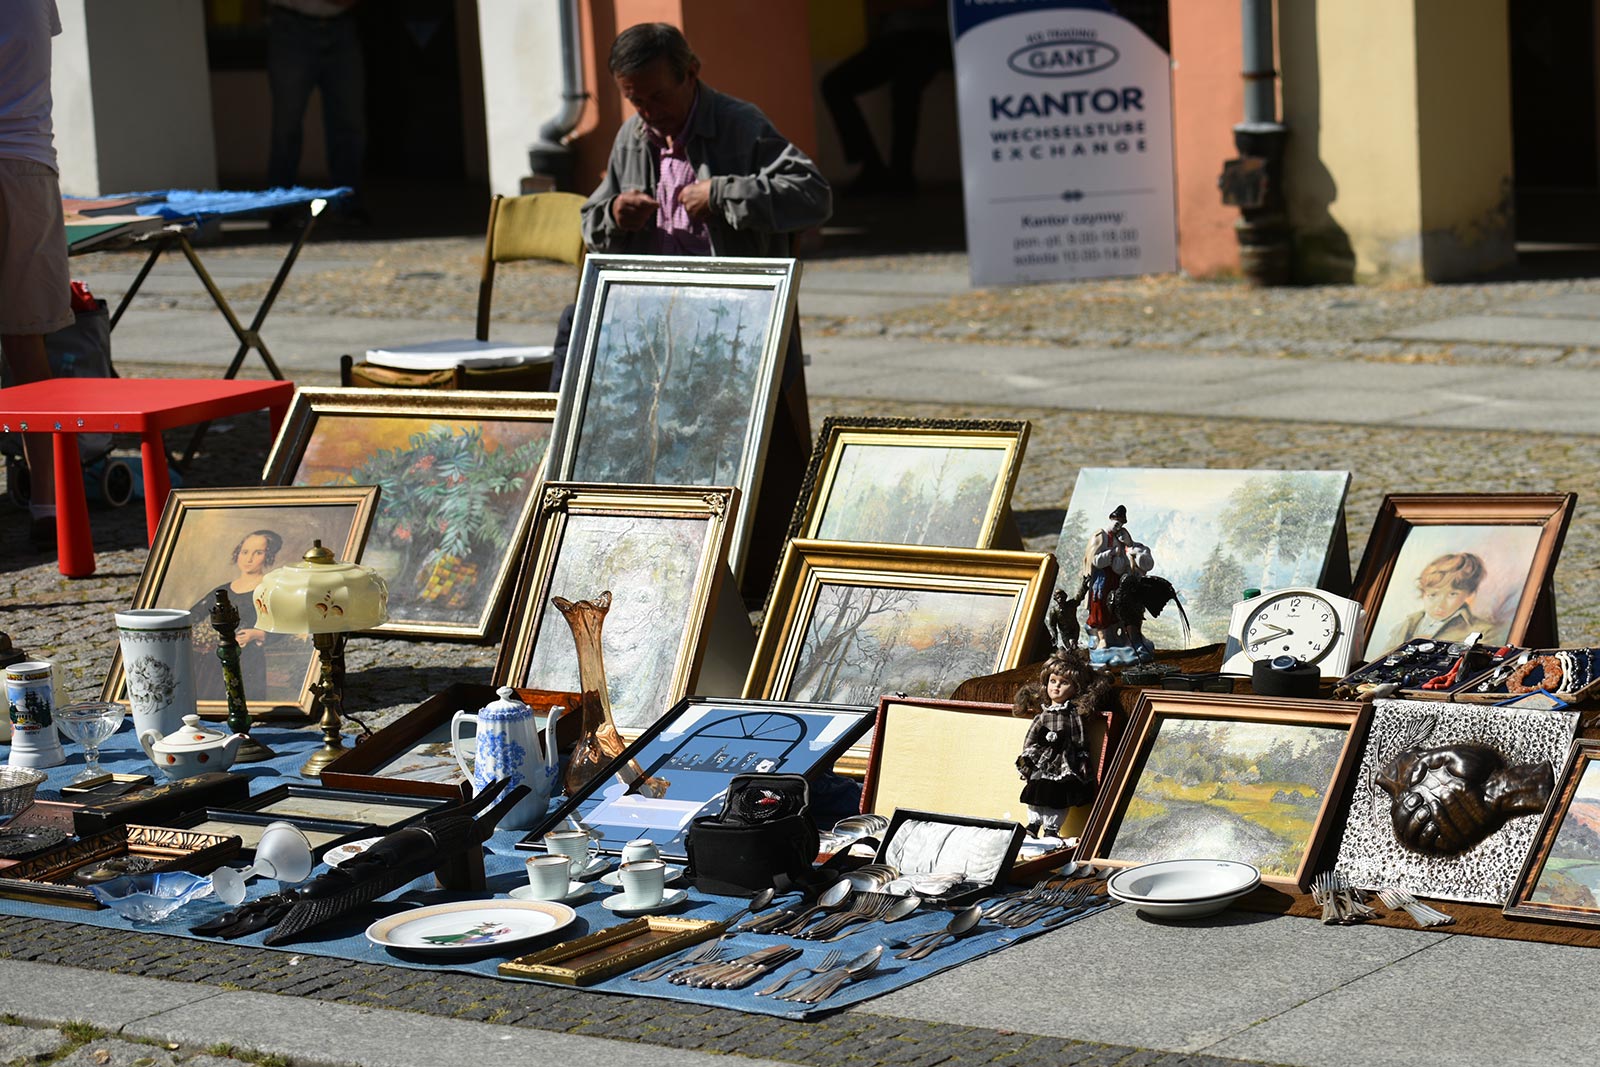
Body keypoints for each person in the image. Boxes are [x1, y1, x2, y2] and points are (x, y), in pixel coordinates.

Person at [580, 22, 831, 259]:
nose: (650, 113)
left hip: (728, 294)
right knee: (575, 308)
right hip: (652, 293)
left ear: (691, 72)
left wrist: (720, 194)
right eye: (637, 101)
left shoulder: (740, 126)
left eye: (659, 97)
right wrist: (613, 214)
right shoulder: (632, 137)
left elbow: (814, 198)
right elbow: (589, 225)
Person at [0, 1, 69, 550]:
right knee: (29, 349)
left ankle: (48, 503)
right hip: (28, 166)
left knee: (30, 350)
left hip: (24, 161)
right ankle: (50, 503)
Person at [821, 0, 951, 195]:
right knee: (834, 84)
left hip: (932, 37)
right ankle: (871, 168)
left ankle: (902, 174)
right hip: (892, 39)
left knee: (905, 88)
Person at [265, 0, 368, 225]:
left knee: (349, 123)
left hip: (342, 24)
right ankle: (281, 208)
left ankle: (348, 204)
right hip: (291, 26)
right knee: (287, 125)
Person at [1013, 647, 1109, 839]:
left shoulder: (1073, 716)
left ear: (1076, 689)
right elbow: (1031, 737)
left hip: (1063, 761)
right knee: (1037, 790)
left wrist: (1082, 759)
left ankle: (1051, 828)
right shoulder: (1043, 715)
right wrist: (1027, 757)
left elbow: (1080, 739)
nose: (1056, 687)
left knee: (1058, 794)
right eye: (1053, 681)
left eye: (1064, 683)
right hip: (1041, 760)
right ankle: (1033, 824)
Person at [190, 529, 284, 703]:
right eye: (245, 552)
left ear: (268, 556)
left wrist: (257, 634)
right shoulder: (223, 590)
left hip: (248, 660)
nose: (249, 559)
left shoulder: (269, 588)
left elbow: (284, 624)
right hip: (214, 659)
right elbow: (194, 614)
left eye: (258, 553)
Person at [1386, 551, 1506, 651]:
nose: (1440, 605)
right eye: (1433, 595)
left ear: (1468, 594)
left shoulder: (1484, 631)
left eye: (1452, 594)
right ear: (1423, 593)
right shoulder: (1408, 624)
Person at [1081, 505, 1144, 649]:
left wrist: (1121, 553)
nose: (1118, 527)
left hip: (1114, 577)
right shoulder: (1100, 536)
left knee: (1115, 604)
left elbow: (1123, 560)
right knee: (1100, 604)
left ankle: (1115, 635)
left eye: (1120, 524)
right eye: (1116, 523)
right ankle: (1102, 638)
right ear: (1111, 519)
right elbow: (1094, 559)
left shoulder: (1119, 538)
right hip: (1101, 578)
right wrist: (1110, 553)